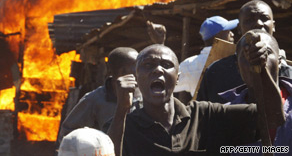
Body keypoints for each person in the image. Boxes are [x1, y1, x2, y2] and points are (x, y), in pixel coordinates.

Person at [107, 44, 283, 156]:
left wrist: (263, 70)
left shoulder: (206, 115)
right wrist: (122, 110)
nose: (158, 70)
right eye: (148, 65)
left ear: (178, 78)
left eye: (167, 65)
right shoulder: (124, 125)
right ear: (136, 78)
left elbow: (273, 117)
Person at [197, 0, 292, 103]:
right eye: (249, 20)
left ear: (273, 26)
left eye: (264, 18)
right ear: (239, 28)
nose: (258, 24)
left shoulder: (288, 72)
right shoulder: (216, 72)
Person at [220, 29, 290, 155]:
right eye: (247, 55)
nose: (256, 61)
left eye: (266, 53)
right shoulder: (225, 116)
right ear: (238, 67)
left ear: (279, 62)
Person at [57, 47, 141, 146]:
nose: (141, 70)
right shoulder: (95, 100)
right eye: (137, 66)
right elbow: (67, 135)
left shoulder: (145, 96)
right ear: (121, 72)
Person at [174, 16, 238, 102]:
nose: (232, 34)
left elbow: (170, 85)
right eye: (228, 31)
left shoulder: (189, 65)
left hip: (205, 113)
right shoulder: (235, 58)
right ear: (218, 35)